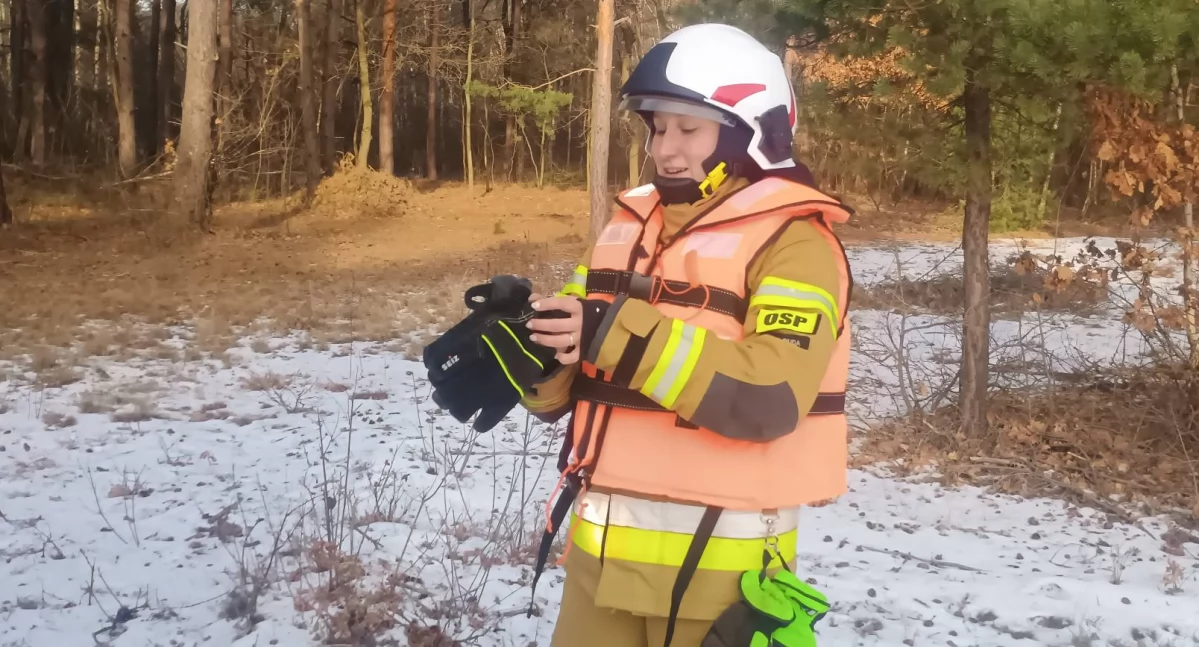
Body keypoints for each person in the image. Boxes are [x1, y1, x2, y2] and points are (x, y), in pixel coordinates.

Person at [521, 23, 853, 647]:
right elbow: (579, 374)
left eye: (688, 128)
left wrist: (612, 331)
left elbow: (770, 395)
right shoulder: (629, 229)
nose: (664, 148)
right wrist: (533, 357)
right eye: (656, 126)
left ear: (751, 131)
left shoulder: (796, 244)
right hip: (600, 550)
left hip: (721, 569)